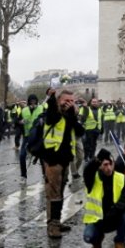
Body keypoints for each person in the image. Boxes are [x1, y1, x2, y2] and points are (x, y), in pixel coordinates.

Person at [41, 88, 85, 238]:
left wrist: (73, 114)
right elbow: (52, 110)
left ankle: (57, 221)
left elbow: (80, 132)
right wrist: (52, 96)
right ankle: (52, 226)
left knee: (59, 192)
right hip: (52, 159)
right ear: (59, 101)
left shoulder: (69, 116)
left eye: (72, 101)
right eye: (66, 100)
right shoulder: (53, 114)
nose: (70, 103)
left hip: (66, 158)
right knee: (53, 193)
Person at [83, 148, 125, 248]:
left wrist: (114, 211)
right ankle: (97, 240)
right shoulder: (92, 179)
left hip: (115, 217)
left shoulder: (121, 178)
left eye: (111, 164)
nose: (109, 167)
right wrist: (98, 158)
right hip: (97, 220)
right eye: (105, 165)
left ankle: (119, 241)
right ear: (100, 166)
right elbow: (87, 170)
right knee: (88, 237)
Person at [19, 94, 44, 184]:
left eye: (34, 100)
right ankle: (23, 175)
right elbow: (17, 121)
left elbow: (46, 117)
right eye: (31, 101)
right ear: (29, 101)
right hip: (27, 136)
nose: (33, 102)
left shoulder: (41, 108)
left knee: (42, 156)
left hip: (38, 136)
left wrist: (42, 121)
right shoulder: (24, 110)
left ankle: (44, 174)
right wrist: (20, 122)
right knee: (22, 155)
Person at [80, 98, 101, 163]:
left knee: (94, 144)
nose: (94, 103)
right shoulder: (85, 108)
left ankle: (92, 156)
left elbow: (100, 119)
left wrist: (101, 129)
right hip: (88, 129)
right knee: (88, 144)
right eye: (93, 102)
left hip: (96, 130)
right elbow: (82, 118)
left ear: (98, 103)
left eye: (95, 102)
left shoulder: (99, 110)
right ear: (90, 102)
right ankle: (86, 157)